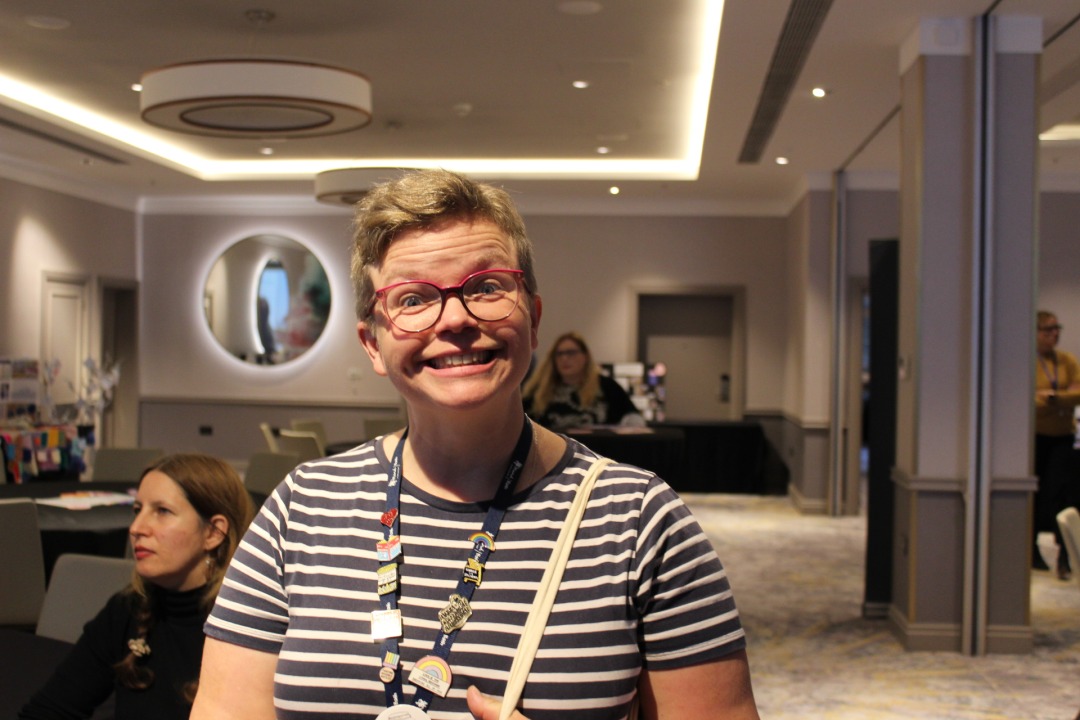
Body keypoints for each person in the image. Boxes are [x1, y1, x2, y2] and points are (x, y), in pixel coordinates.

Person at [193, 169, 759, 720]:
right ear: (373, 343)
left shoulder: (640, 521)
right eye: (413, 299)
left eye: (487, 288)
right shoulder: (302, 511)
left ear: (533, 320)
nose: (456, 320)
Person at [19, 453, 255, 720]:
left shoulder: (251, 628)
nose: (136, 528)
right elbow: (49, 711)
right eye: (137, 510)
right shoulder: (129, 609)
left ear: (213, 533)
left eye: (162, 511)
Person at [1034, 310, 1080, 579]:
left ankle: (1065, 557)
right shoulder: (1029, 362)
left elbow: (1077, 396)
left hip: (1063, 437)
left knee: (1063, 495)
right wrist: (1060, 399)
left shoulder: (1067, 361)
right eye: (1048, 329)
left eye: (1057, 328)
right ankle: (1033, 554)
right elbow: (1030, 402)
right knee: (1039, 496)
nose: (1055, 334)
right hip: (1037, 437)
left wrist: (1052, 398)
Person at [523, 331, 646, 431]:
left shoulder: (607, 387)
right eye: (559, 354)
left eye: (571, 353)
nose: (564, 358)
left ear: (585, 356)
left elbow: (634, 419)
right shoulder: (538, 390)